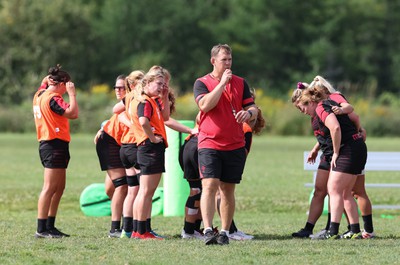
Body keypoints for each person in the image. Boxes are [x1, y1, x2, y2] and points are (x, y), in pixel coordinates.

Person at [291, 78, 374, 239]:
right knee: (341, 192)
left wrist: (342, 146)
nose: (302, 112)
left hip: (346, 150)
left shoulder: (327, 104)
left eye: (301, 108)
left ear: (308, 100)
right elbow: (327, 132)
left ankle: (333, 230)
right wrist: (316, 149)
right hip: (345, 150)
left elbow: (338, 125)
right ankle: (354, 230)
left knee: (337, 190)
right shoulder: (319, 109)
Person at [193, 44, 258, 245]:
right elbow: (204, 105)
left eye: (230, 59)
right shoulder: (201, 82)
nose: (228, 63)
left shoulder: (241, 82)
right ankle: (207, 229)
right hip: (209, 142)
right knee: (209, 185)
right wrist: (221, 84)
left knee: (228, 189)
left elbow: (253, 107)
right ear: (213, 61)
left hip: (235, 143)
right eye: (224, 60)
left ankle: (224, 232)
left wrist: (249, 113)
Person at [33, 64, 79, 238]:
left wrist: (51, 76)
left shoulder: (40, 94)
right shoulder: (53, 98)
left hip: (52, 144)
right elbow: (73, 113)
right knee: (50, 188)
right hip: (53, 144)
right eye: (66, 85)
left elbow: (44, 81)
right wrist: (73, 95)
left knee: (59, 187)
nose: (67, 89)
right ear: (61, 84)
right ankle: (41, 228)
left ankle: (50, 225)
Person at [129, 67, 169, 239]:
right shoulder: (145, 101)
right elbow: (143, 121)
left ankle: (139, 230)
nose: (161, 87)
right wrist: (152, 138)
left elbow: (165, 117)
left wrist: (165, 96)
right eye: (158, 84)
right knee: (145, 191)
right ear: (147, 83)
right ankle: (141, 231)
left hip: (148, 148)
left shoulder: (151, 100)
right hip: (150, 148)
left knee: (145, 191)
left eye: (163, 84)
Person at [94, 75, 128, 238]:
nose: (118, 90)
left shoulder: (131, 101)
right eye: (116, 87)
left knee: (118, 188)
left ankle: (126, 223)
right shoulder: (124, 104)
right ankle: (116, 228)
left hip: (120, 145)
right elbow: (117, 118)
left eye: (122, 87)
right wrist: (102, 129)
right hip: (111, 144)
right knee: (119, 187)